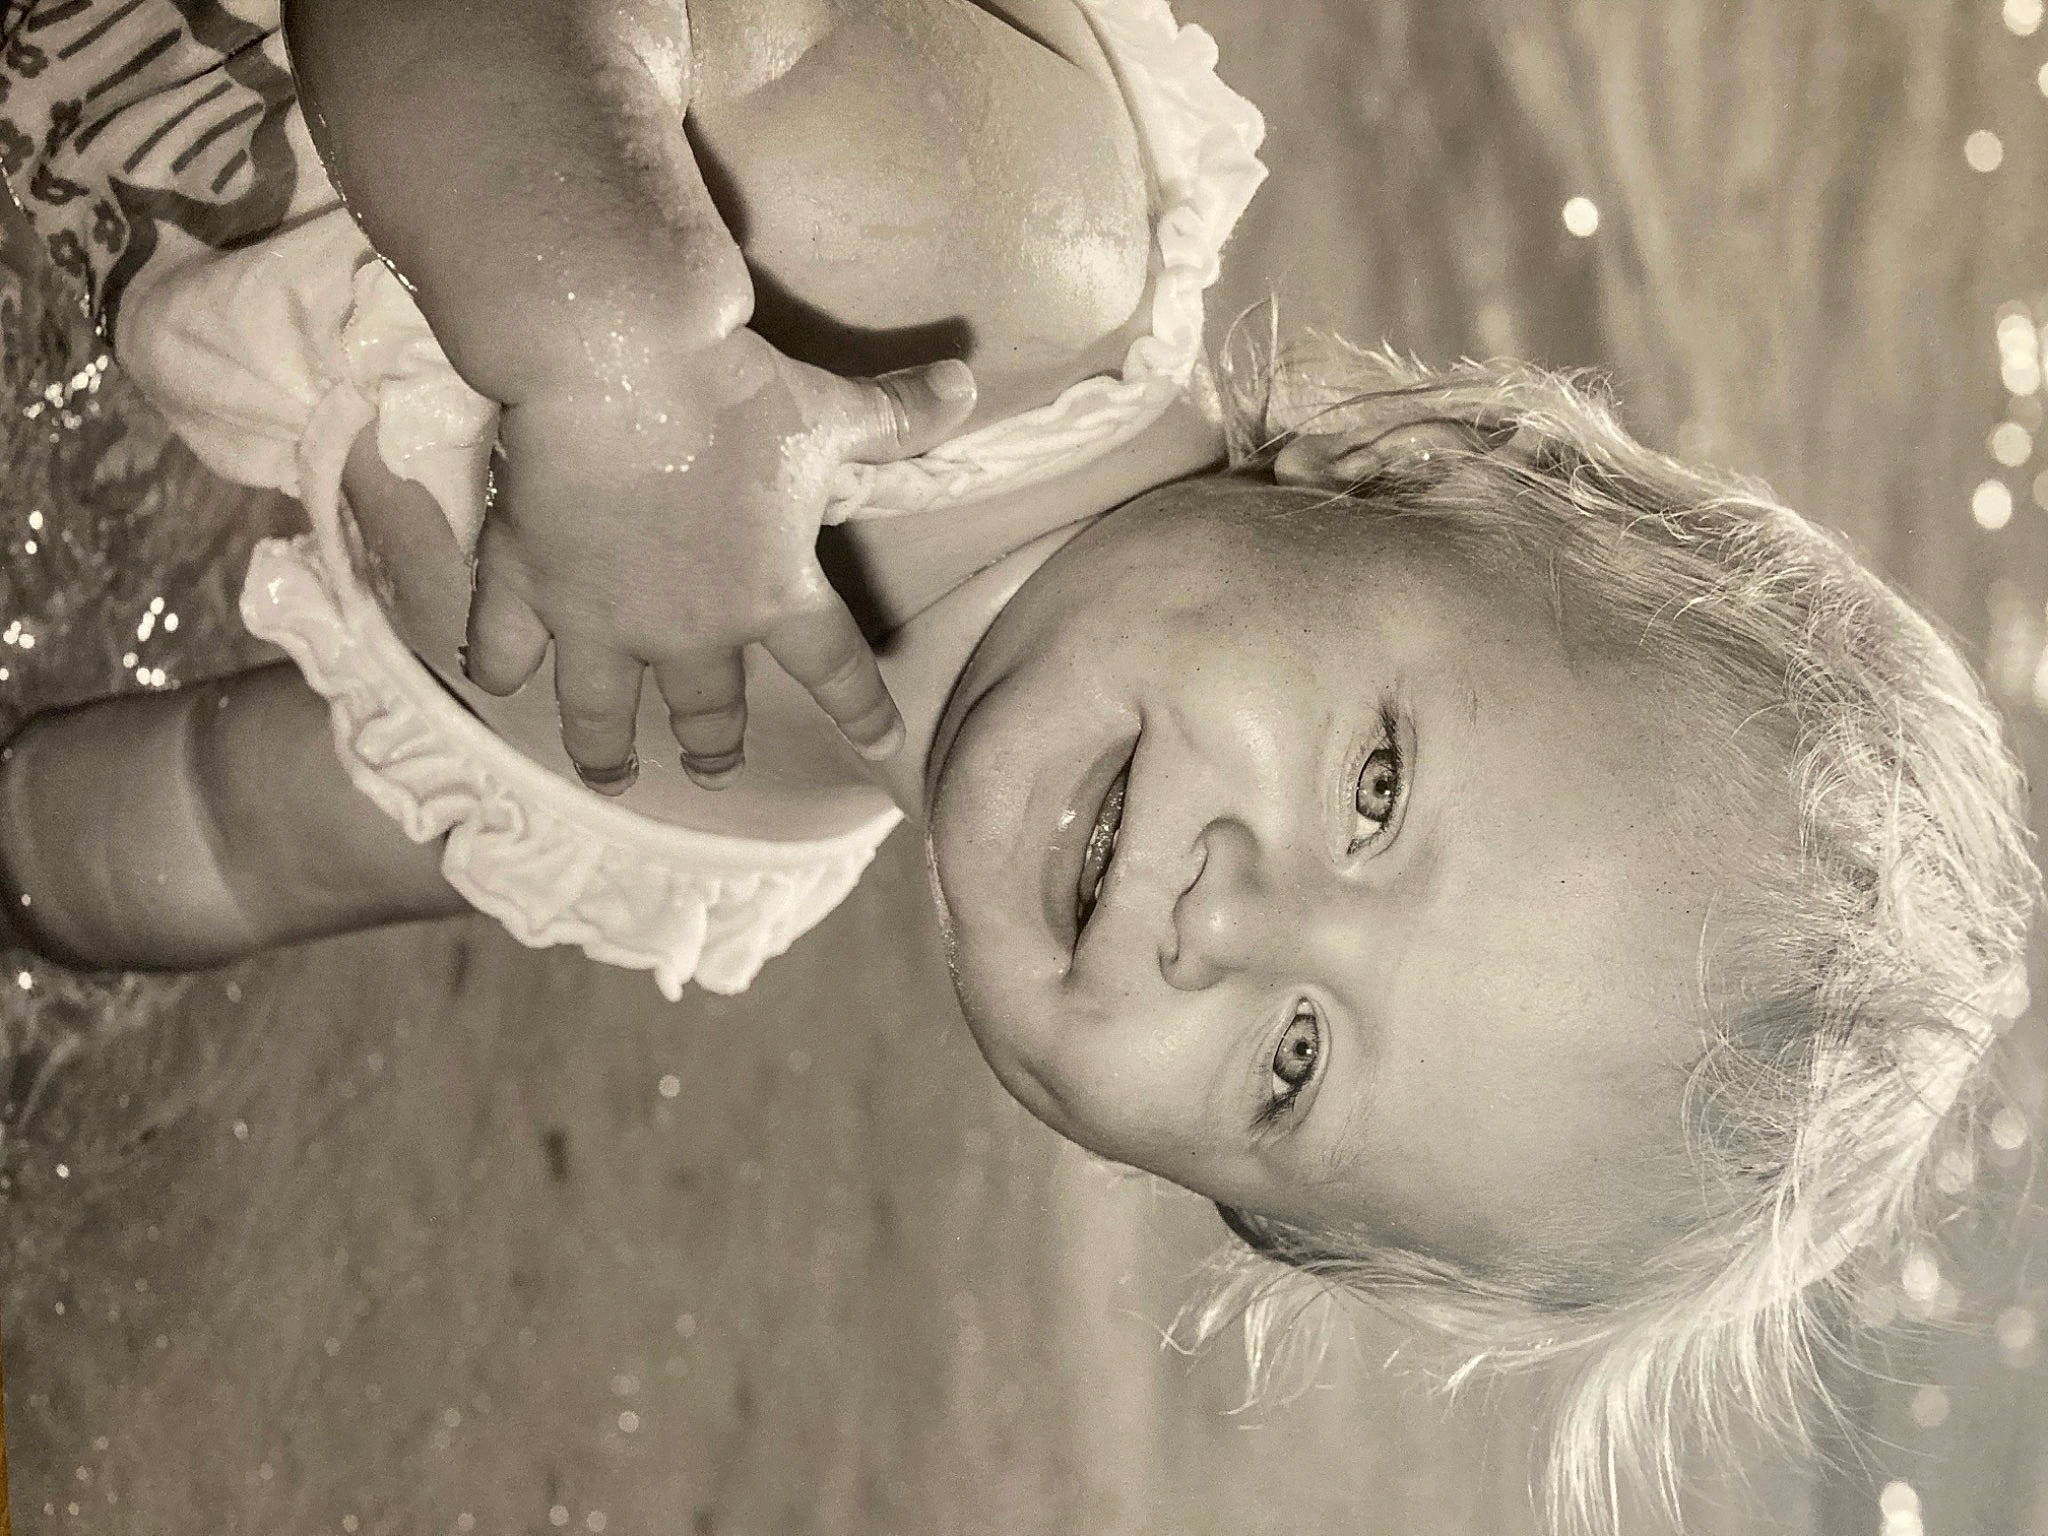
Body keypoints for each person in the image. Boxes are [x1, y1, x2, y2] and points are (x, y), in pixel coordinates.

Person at [0, 2, 2033, 1530]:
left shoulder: (681, 820)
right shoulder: (988, 230)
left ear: (1210, 1200)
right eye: (1380, 792)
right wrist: (619, 349)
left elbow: (205, 829)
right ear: (1413, 474)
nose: (1232, 916)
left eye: (1299, 1062)